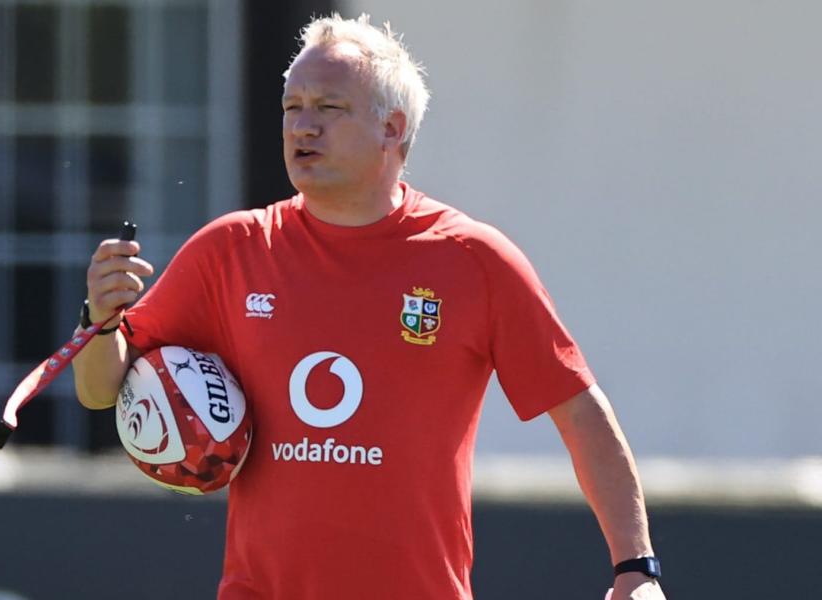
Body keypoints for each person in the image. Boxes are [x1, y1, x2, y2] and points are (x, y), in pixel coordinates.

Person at [72, 14, 667, 600]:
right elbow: (101, 390)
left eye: (329, 108)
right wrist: (100, 320)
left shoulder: (474, 259)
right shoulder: (233, 248)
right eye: (291, 108)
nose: (302, 126)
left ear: (393, 127)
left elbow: (580, 411)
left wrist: (635, 567)